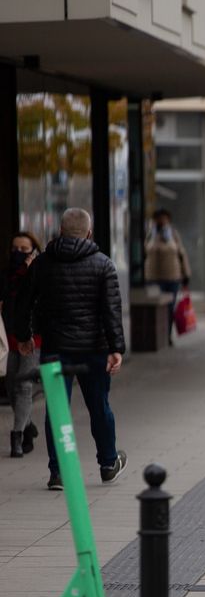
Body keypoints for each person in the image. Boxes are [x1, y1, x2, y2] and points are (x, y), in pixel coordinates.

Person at [13, 209, 126, 491]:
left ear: (60, 231)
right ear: (89, 233)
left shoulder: (41, 264)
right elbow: (111, 311)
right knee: (99, 406)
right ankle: (108, 464)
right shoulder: (103, 265)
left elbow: (23, 301)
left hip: (55, 347)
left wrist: (24, 336)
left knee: (56, 410)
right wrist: (116, 348)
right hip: (95, 349)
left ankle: (58, 472)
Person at [2, 232, 42, 458]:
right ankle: (27, 426)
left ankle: (16, 436)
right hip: (9, 335)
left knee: (24, 385)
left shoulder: (40, 272)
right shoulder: (6, 275)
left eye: (23, 249)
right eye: (14, 249)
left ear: (34, 250)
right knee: (10, 384)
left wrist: (30, 272)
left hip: (33, 336)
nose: (18, 253)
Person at [143, 209, 191, 345]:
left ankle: (167, 336)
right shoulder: (150, 235)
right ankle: (154, 336)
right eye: (158, 219)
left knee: (169, 309)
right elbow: (144, 251)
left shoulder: (173, 235)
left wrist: (186, 274)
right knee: (154, 310)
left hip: (172, 277)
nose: (161, 222)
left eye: (164, 219)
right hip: (153, 277)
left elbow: (181, 253)